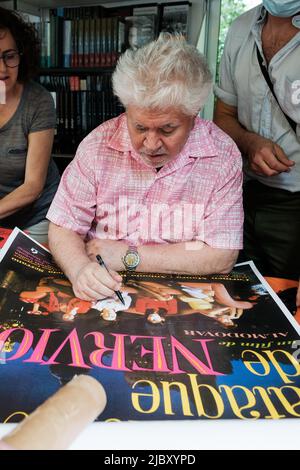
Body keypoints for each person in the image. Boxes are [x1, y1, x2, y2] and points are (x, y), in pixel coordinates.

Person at [47, 34, 244, 302]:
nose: (150, 144)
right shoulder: (97, 145)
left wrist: (127, 256)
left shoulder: (222, 155)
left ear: (194, 113)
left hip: (180, 300)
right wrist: (80, 269)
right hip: (103, 289)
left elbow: (222, 255)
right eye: (139, 127)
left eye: (167, 129)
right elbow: (63, 226)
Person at [214, 1, 300, 305]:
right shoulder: (241, 28)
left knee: (289, 309)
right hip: (241, 197)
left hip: (294, 206)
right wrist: (249, 142)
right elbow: (223, 114)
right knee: (240, 301)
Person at [0, 8, 60, 243]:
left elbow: (33, 186)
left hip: (36, 216)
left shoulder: (38, 100)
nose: (3, 69)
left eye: (9, 55)